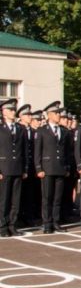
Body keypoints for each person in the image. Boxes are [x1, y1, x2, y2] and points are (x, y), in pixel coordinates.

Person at [35, 102, 70, 233]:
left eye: (59, 113)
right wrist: (39, 168)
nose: (58, 115)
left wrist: (66, 167)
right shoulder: (42, 131)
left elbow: (66, 151)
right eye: (56, 113)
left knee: (57, 197)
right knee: (47, 197)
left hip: (60, 168)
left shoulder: (63, 131)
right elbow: (37, 151)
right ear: (49, 115)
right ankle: (47, 223)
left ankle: (55, 221)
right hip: (47, 168)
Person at [0, 99, 28, 236]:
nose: (13, 112)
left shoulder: (20, 128)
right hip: (4, 168)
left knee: (15, 200)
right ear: (3, 112)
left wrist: (25, 169)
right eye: (10, 110)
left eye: (13, 110)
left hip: (17, 168)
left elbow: (24, 151)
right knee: (4, 199)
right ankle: (3, 226)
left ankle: (12, 224)